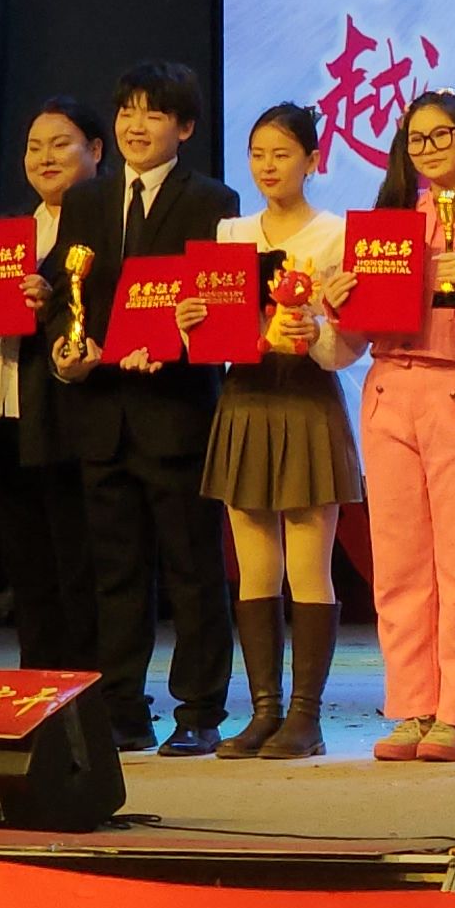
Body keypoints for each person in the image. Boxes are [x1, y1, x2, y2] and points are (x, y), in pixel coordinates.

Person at [329, 90, 455, 764]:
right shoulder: (388, 226)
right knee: (399, 564)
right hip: (388, 390)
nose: (429, 149)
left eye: (442, 135)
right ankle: (411, 704)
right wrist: (340, 301)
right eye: (417, 139)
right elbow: (357, 336)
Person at [50, 61, 241, 754]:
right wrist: (66, 350)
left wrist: (178, 342)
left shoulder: (213, 201)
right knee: (116, 573)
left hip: (176, 410)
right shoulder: (84, 200)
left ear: (183, 128)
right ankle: (123, 708)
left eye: (154, 113)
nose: (136, 125)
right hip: (102, 412)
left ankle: (199, 709)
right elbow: (67, 297)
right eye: (127, 110)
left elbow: (221, 305)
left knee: (192, 570)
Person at [195, 104, 360, 761]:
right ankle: (264, 710)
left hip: (306, 399)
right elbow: (213, 337)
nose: (268, 166)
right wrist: (192, 320)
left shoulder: (338, 234)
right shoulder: (230, 233)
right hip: (245, 398)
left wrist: (315, 330)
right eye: (258, 153)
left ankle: (305, 717)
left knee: (309, 567)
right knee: (255, 567)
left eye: (282, 153)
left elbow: (349, 346)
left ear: (313, 160)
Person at [0, 98, 103, 673]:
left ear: (96, 151)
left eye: (60, 144)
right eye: (34, 146)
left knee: (80, 567)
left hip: (71, 423)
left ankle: (90, 690)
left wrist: (51, 305)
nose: (45, 157)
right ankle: (39, 685)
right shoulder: (8, 232)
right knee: (28, 569)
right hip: (7, 417)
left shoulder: (103, 227)